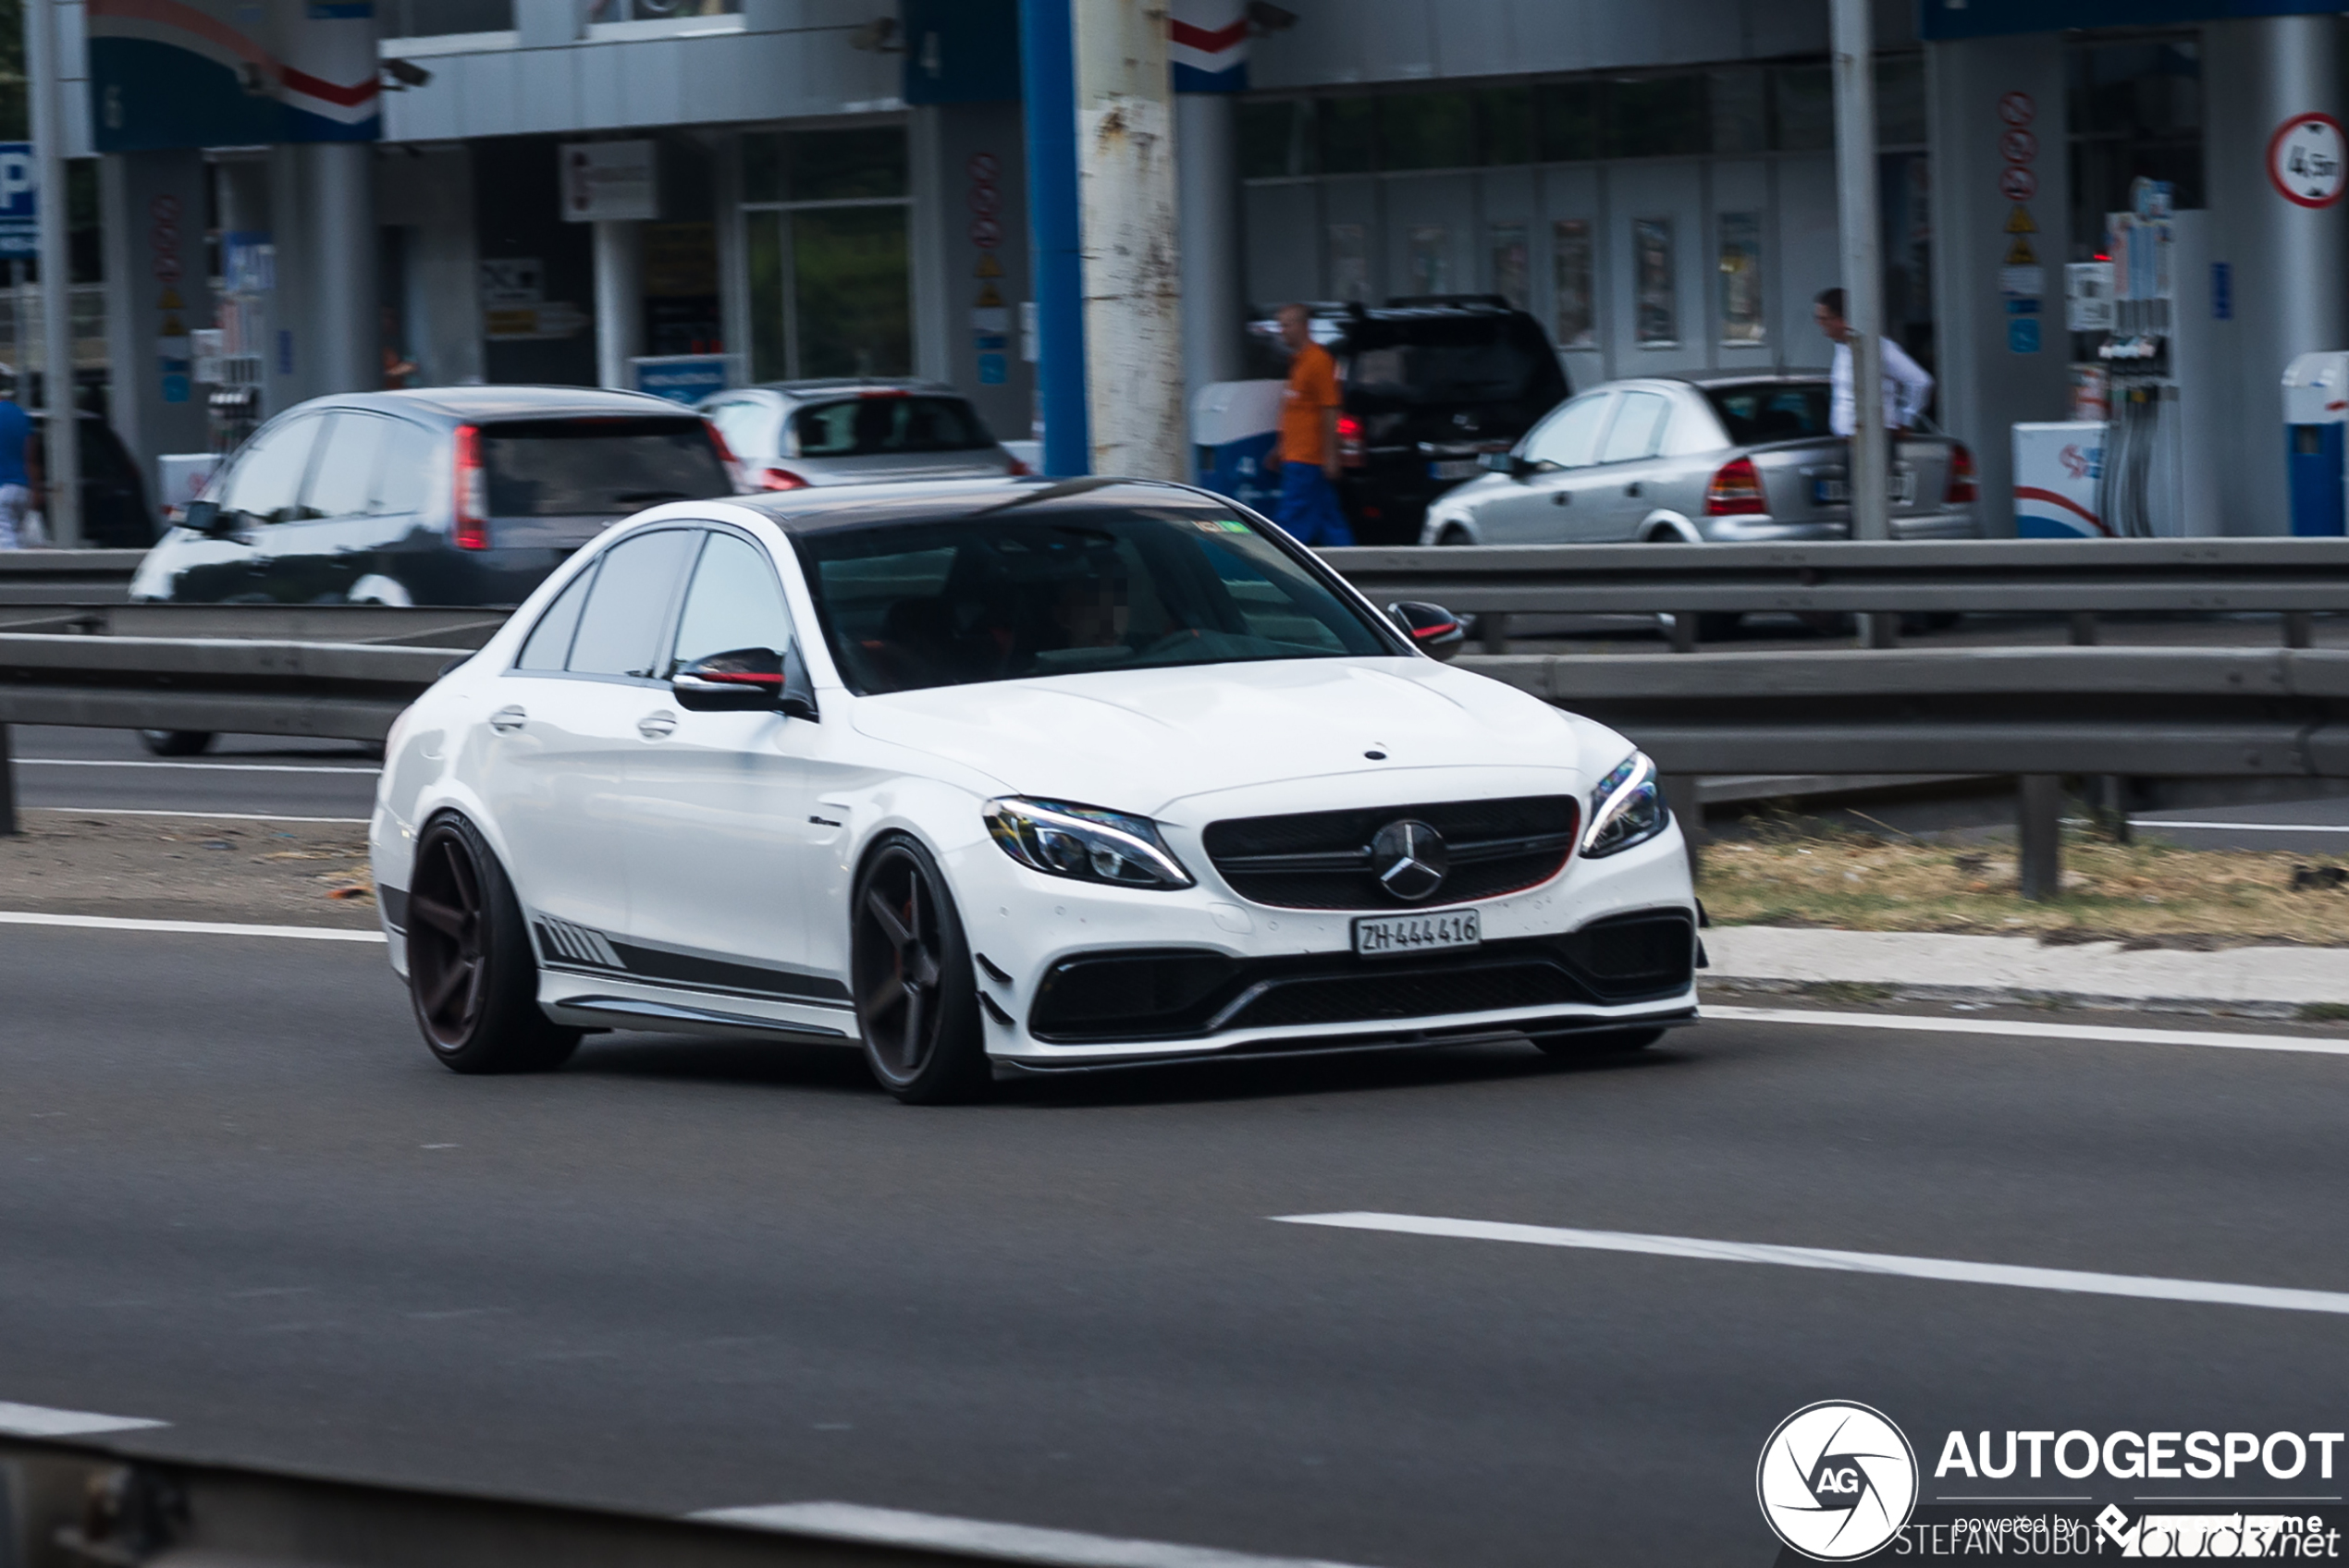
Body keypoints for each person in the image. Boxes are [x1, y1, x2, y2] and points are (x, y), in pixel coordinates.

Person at [1261, 302, 1355, 546]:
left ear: (1304, 325)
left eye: (1287, 325)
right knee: (1328, 519)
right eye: (1280, 325)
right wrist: (1280, 448)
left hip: (1307, 459)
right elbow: (1297, 413)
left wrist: (1331, 456)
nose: (1282, 331)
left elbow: (1329, 410)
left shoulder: (1318, 362)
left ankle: (1282, 568)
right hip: (1299, 457)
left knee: (1291, 521)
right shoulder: (1300, 363)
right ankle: (1351, 565)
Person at [1814, 287, 1934, 436]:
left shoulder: (1877, 348)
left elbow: (1921, 381)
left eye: (1824, 319)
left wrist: (1905, 420)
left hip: (1873, 441)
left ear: (1842, 320)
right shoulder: (1842, 347)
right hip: (1848, 441)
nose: (1820, 324)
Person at [0, 374, 37, 549]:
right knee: (19, 540)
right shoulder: (20, 414)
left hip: (2, 488)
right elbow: (30, 455)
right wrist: (35, 489)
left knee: (6, 548)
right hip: (22, 489)